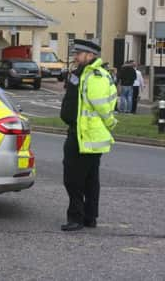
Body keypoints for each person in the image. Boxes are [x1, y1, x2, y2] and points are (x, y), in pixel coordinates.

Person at [60, 39, 117, 232]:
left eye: (79, 54)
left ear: (90, 55)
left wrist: (110, 123)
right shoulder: (82, 73)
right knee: (90, 178)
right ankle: (89, 217)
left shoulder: (95, 76)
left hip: (85, 134)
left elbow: (101, 105)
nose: (76, 57)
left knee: (73, 178)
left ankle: (76, 218)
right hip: (82, 132)